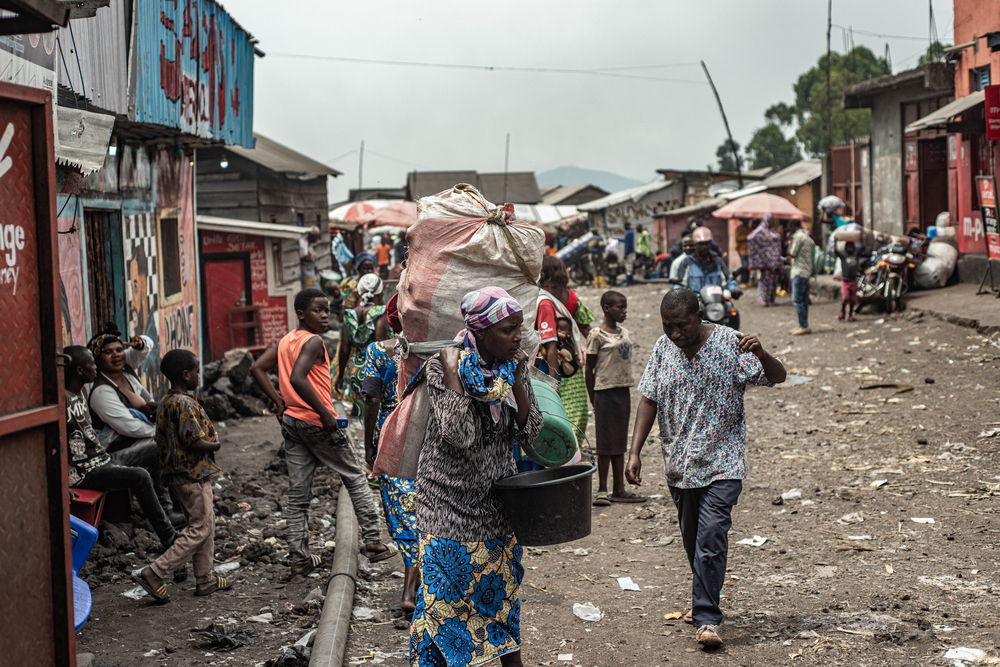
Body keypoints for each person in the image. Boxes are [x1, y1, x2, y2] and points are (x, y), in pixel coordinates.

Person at [625, 289, 786, 649]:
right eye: (668, 326)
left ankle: (707, 618)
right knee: (693, 541)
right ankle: (704, 596)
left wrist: (762, 353)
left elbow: (778, 376)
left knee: (711, 539)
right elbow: (649, 399)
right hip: (680, 467)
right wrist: (634, 452)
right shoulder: (662, 349)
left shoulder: (732, 344)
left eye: (681, 325)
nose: (675, 333)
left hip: (723, 463)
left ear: (699, 316)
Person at [409, 287, 543, 667]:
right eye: (507, 329)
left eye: (519, 327)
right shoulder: (442, 367)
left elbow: (530, 431)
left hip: (495, 508)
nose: (517, 336)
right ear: (481, 332)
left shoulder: (509, 366)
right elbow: (460, 435)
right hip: (446, 508)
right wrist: (452, 372)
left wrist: (519, 377)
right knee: (445, 606)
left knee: (501, 602)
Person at [251, 288, 394, 576]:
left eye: (328, 309)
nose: (325, 315)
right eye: (318, 310)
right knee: (354, 475)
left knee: (298, 491)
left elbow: (257, 368)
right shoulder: (314, 342)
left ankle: (298, 555)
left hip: (292, 422)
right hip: (316, 422)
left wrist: (279, 401)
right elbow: (298, 378)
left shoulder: (287, 340)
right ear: (301, 314)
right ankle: (374, 542)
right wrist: (326, 414)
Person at [135, 349, 231, 602]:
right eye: (197, 371)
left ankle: (205, 578)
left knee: (203, 524)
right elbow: (193, 440)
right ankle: (156, 572)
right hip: (193, 474)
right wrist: (214, 445)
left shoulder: (166, 401)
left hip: (177, 474)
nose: (199, 376)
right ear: (186, 374)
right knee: (200, 527)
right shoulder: (185, 404)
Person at [64, 346, 177, 550]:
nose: (96, 368)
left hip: (103, 460)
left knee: (155, 448)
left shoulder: (79, 391)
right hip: (85, 473)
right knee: (140, 475)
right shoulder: (63, 400)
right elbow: (51, 447)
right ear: (80, 371)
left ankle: (167, 512)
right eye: (91, 364)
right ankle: (168, 536)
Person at [87, 326, 182, 524]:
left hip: (130, 443)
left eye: (119, 350)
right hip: (111, 455)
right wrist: (164, 432)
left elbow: (147, 345)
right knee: (160, 445)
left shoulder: (127, 374)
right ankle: (167, 511)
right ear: (97, 358)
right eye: (108, 352)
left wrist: (139, 342)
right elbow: (129, 427)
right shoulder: (101, 392)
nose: (116, 355)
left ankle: (184, 501)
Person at [361, 295, 419, 615]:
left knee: (402, 514)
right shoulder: (433, 350)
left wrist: (370, 443)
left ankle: (409, 590)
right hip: (426, 434)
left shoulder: (377, 352)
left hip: (392, 437)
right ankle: (422, 583)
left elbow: (370, 398)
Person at [586, 291, 643, 506]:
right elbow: (589, 369)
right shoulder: (597, 335)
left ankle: (619, 488)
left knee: (619, 442)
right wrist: (593, 397)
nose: (624, 311)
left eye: (625, 307)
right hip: (604, 392)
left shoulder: (624, 333)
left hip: (622, 391)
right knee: (604, 443)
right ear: (607, 308)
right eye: (620, 307)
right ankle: (602, 489)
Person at [537, 256, 592, 447]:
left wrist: (552, 379)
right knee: (576, 413)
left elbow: (549, 344)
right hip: (571, 367)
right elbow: (586, 327)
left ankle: (565, 453)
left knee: (558, 412)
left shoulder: (541, 299)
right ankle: (570, 451)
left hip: (551, 366)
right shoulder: (571, 298)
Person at [335, 273, 390, 417]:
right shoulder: (381, 312)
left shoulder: (350, 314)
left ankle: (366, 438)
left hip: (356, 371)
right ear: (380, 292)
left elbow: (344, 350)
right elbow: (380, 345)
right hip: (375, 372)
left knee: (363, 414)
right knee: (379, 415)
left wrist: (340, 376)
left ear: (359, 292)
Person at [671, 227, 740, 295]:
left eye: (706, 243)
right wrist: (678, 292)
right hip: (696, 302)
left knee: (730, 306)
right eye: (700, 244)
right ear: (695, 245)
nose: (704, 246)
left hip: (717, 299)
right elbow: (679, 283)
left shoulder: (718, 261)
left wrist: (734, 288)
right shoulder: (687, 262)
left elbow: (729, 280)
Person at [747, 216, 784, 307]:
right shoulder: (762, 230)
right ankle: (765, 300)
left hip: (773, 262)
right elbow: (751, 237)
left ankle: (770, 300)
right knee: (767, 282)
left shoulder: (770, 231)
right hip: (767, 262)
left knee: (773, 282)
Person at [787, 220, 816, 335]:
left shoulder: (798, 237)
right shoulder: (807, 237)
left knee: (797, 299)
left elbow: (792, 253)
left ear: (793, 227)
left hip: (798, 272)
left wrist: (789, 242)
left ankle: (803, 325)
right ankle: (803, 324)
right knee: (803, 300)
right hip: (806, 271)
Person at [837, 240, 862, 321]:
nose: (850, 248)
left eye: (851, 247)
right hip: (845, 281)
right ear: (845, 248)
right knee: (845, 297)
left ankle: (850, 314)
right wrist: (835, 241)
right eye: (848, 247)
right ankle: (842, 311)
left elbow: (863, 248)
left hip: (853, 280)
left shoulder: (856, 256)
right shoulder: (843, 256)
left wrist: (860, 239)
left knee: (852, 300)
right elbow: (835, 251)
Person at [733, 220, 750, 286]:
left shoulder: (749, 228)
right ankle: (741, 279)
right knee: (745, 265)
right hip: (742, 250)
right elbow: (737, 238)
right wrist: (746, 237)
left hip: (749, 250)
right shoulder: (739, 228)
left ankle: (746, 281)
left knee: (748, 266)